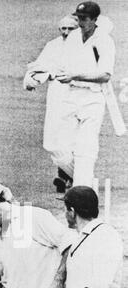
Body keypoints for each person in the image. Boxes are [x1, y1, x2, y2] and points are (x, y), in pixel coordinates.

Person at [51, 1, 115, 187]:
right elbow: (63, 65)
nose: (80, 22)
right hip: (71, 95)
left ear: (95, 19)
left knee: (85, 150)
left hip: (93, 99)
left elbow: (105, 75)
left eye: (84, 19)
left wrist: (75, 75)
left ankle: (82, 191)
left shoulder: (104, 41)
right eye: (78, 18)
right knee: (58, 147)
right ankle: (79, 179)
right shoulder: (73, 38)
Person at [25, 15, 79, 193]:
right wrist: (32, 79)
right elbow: (40, 66)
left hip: (77, 95)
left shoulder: (84, 46)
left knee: (70, 136)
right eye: (63, 28)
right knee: (53, 135)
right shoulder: (53, 45)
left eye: (70, 28)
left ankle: (68, 176)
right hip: (56, 94)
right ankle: (67, 174)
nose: (66, 32)